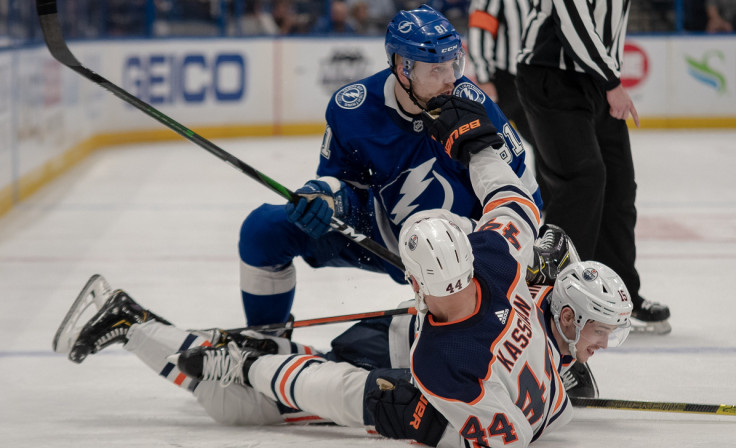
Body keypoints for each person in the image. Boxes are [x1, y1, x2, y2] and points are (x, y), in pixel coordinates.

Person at [54, 126, 633, 446]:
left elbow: (506, 203)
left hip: (403, 357)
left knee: (259, 390)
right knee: (245, 407)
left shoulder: (492, 272)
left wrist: (476, 142)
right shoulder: (495, 271)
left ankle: (140, 326)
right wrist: (254, 364)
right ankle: (132, 323)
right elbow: (510, 201)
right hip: (404, 384)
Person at [237, 5, 540, 331]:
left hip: (461, 252)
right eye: (435, 70)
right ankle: (264, 341)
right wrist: (326, 196)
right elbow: (345, 186)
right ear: (402, 68)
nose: (451, 80)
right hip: (384, 238)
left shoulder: (475, 106)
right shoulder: (352, 109)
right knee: (264, 229)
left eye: (454, 64)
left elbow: (526, 201)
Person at [515, 0, 671, 333]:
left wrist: (606, 81)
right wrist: (611, 82)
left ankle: (617, 295)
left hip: (596, 80)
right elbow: (571, 16)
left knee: (618, 186)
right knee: (581, 182)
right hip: (553, 75)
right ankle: (554, 298)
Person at [467, 0, 535, 146]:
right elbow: (479, 34)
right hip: (503, 80)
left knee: (542, 143)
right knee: (491, 140)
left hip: (531, 78)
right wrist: (484, 78)